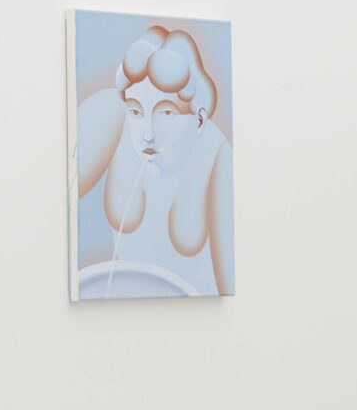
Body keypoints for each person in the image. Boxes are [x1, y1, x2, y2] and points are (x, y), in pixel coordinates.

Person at [73, 24, 235, 298]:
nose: (148, 134)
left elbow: (230, 286)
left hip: (195, 315)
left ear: (198, 120)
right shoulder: (115, 115)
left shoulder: (217, 156)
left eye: (167, 114)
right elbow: (55, 200)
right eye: (137, 112)